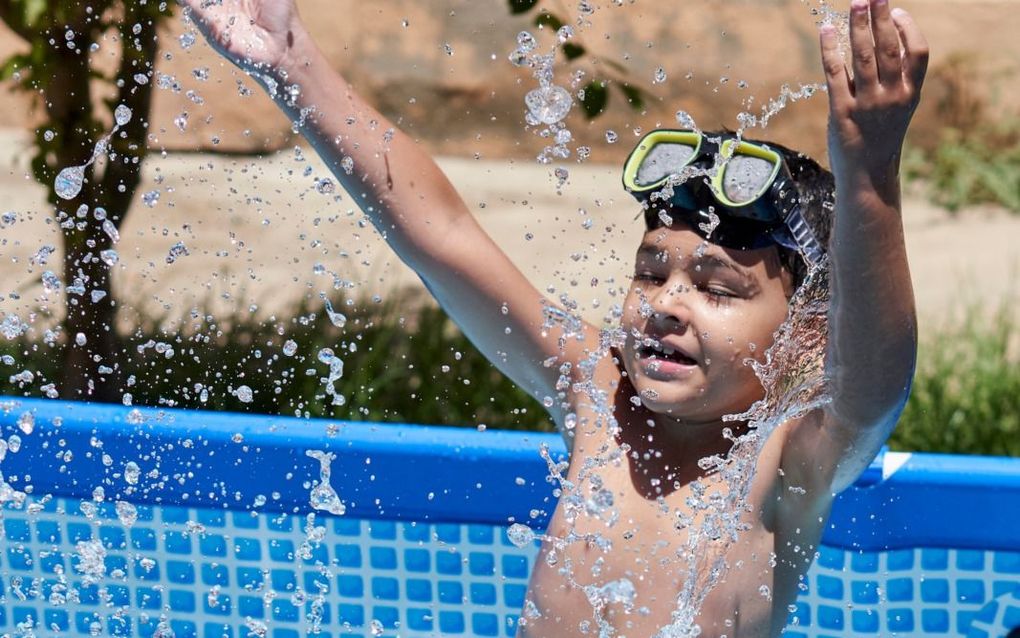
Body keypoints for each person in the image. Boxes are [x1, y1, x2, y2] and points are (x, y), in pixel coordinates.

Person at [184, 0, 928, 635]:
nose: (668, 303)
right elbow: (444, 237)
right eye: (651, 272)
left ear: (806, 331)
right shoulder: (597, 392)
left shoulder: (788, 462)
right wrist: (292, 64)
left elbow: (872, 386)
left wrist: (870, 176)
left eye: (718, 289)